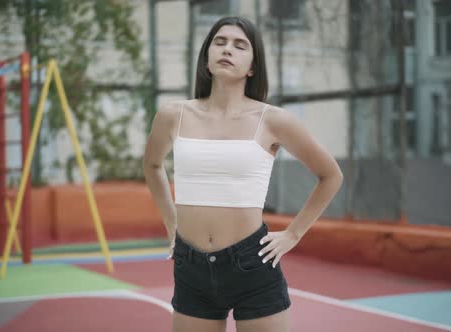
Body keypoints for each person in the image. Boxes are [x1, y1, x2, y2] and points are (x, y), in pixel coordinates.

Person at [143, 16, 343, 332]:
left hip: (252, 264)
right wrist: (172, 223)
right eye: (219, 42)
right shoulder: (173, 115)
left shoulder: (274, 120)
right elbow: (152, 165)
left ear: (252, 66)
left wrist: (293, 233)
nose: (227, 49)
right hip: (190, 267)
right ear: (207, 57)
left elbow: (330, 175)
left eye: (240, 45)